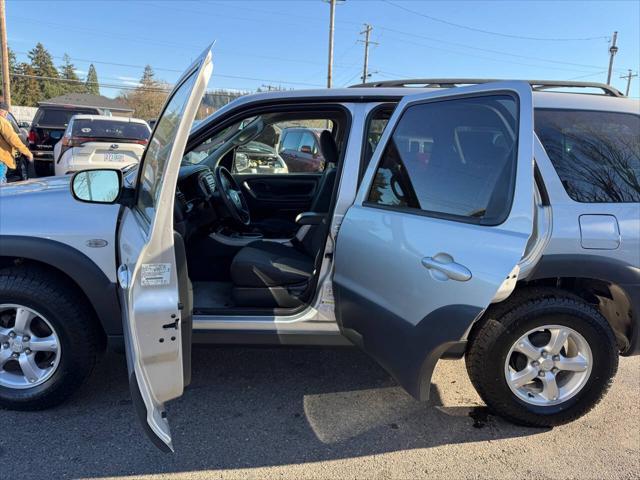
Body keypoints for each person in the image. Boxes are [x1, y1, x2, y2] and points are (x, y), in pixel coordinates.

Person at [0, 101, 33, 184]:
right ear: (4, 112)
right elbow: (13, 139)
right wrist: (27, 152)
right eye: (6, 113)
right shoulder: (3, 122)